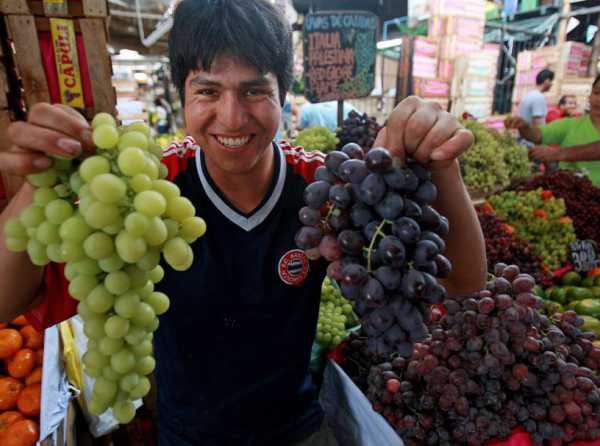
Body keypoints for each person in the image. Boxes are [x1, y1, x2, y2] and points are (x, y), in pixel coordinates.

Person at [0, 0, 487, 445]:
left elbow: (463, 282)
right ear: (181, 96)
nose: (231, 118)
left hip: (296, 429)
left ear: (283, 94)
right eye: (207, 91)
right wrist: (38, 181)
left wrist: (441, 163)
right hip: (186, 435)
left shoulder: (322, 189)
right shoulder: (149, 192)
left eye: (255, 91)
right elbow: (6, 301)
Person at [505, 74, 600, 186]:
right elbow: (538, 135)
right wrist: (525, 127)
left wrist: (558, 153)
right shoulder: (572, 124)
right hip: (569, 195)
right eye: (597, 93)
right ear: (590, 96)